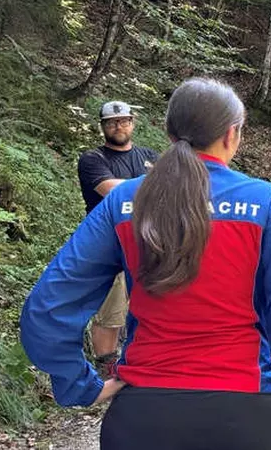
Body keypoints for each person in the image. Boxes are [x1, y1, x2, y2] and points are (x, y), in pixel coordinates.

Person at [21, 78, 271, 450]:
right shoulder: (262, 202)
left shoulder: (126, 202)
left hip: (142, 414)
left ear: (168, 132)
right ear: (232, 135)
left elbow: (47, 306)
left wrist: (79, 384)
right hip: (244, 409)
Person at [75, 101, 159, 375]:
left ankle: (146, 361)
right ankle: (107, 367)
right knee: (111, 311)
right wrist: (156, 185)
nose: (118, 126)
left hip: (149, 242)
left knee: (152, 305)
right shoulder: (93, 159)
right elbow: (112, 190)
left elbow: (170, 190)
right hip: (108, 246)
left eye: (123, 120)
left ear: (133, 123)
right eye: (111, 122)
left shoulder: (149, 155)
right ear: (103, 127)